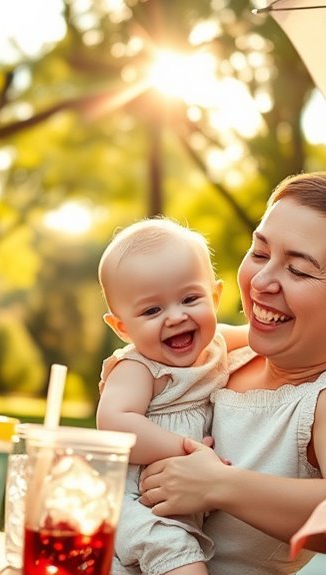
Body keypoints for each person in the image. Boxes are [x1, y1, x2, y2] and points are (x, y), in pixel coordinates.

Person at [135, 172, 326, 574]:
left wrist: (219, 485)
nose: (261, 281)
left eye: (298, 270)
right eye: (260, 253)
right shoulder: (227, 356)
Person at [96, 218, 245, 575]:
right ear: (122, 327)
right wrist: (187, 450)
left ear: (215, 296)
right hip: (135, 504)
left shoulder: (217, 342)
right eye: (152, 310)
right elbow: (115, 423)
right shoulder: (138, 368)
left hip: (174, 505)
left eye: (190, 298)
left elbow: (263, 337)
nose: (176, 316)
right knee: (182, 562)